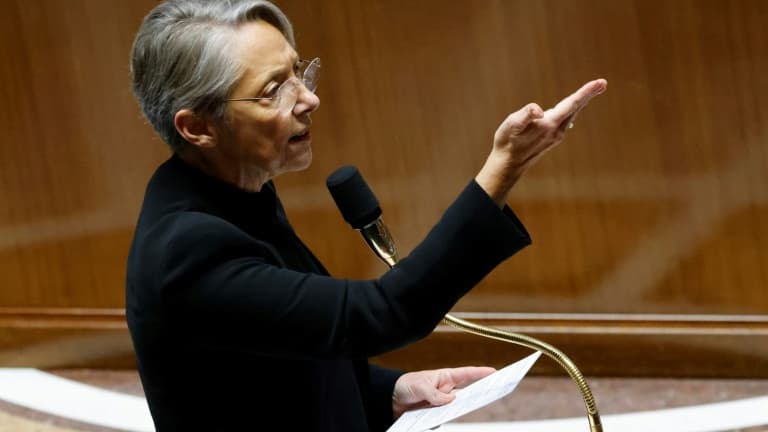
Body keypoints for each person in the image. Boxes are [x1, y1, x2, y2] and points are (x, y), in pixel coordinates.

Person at [126, 0, 606, 430]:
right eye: (274, 90)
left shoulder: (233, 192)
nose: (308, 99)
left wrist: (389, 392)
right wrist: (504, 169)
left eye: (299, 72)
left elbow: (264, 370)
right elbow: (381, 313)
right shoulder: (187, 250)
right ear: (197, 127)